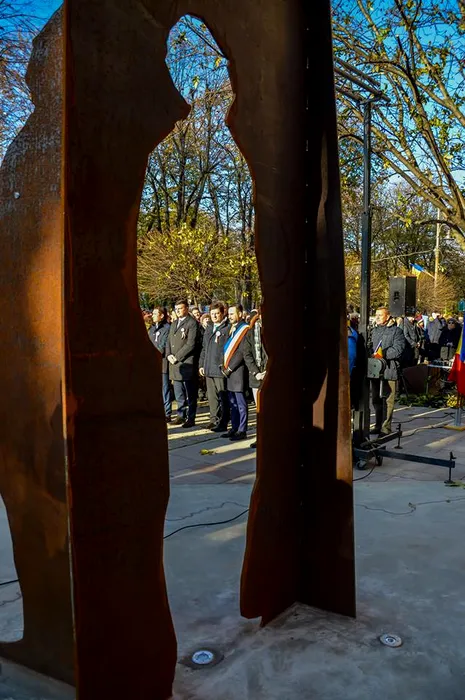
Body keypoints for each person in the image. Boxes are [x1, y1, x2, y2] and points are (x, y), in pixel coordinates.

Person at [370, 307, 406, 436]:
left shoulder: (396, 331)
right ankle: (378, 425)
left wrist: (382, 355)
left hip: (389, 370)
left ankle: (386, 428)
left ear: (388, 316)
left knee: (388, 401)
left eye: (380, 315)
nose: (377, 317)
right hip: (374, 370)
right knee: (376, 399)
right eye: (376, 315)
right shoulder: (373, 331)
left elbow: (398, 349)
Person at [166, 299, 200, 427]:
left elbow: (190, 344)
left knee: (190, 393)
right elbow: (169, 340)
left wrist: (177, 357)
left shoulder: (192, 323)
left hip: (186, 363)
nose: (178, 311)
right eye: (176, 309)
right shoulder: (174, 323)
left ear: (186, 308)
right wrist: (169, 354)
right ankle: (181, 415)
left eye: (180, 308)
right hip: (174, 364)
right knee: (179, 392)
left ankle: (191, 417)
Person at [199, 302, 230, 432]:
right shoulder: (209, 328)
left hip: (219, 368)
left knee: (223, 396)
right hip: (208, 366)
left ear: (222, 314)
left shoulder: (227, 328)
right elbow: (204, 348)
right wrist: (201, 365)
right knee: (212, 397)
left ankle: (224, 420)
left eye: (217, 313)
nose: (215, 316)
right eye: (212, 314)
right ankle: (213, 420)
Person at [221, 304, 250, 441]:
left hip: (237, 371)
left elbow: (241, 353)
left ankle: (242, 430)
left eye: (232, 314)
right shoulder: (231, 329)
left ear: (240, 314)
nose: (230, 316)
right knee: (232, 403)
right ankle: (234, 427)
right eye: (229, 314)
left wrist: (230, 368)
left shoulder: (244, 329)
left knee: (241, 403)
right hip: (228, 372)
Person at [244, 307, 268, 448]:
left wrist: (267, 370)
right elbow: (247, 354)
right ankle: (261, 437)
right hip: (256, 377)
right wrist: (256, 372)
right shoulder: (251, 332)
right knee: (260, 410)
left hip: (270, 375)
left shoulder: (274, 332)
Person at [148, 307, 172, 422]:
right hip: (152, 364)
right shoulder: (152, 329)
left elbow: (163, 347)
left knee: (164, 388)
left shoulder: (167, 328)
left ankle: (166, 412)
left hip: (162, 363)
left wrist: (153, 353)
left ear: (161, 315)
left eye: (155, 314)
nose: (152, 315)